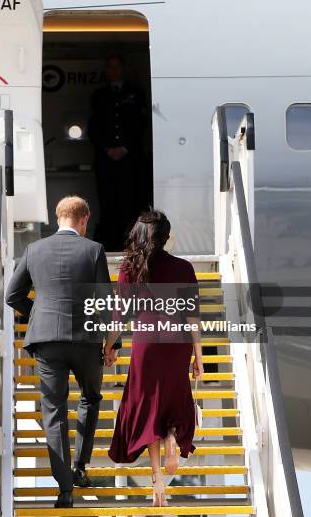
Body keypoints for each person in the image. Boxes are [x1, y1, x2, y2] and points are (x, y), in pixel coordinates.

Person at [5, 196, 121, 509]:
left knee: (54, 412)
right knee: (90, 398)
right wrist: (113, 344)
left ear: (59, 218)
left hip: (46, 341)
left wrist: (37, 314)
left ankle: (64, 489)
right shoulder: (93, 250)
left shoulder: (33, 250)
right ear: (84, 220)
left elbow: (11, 295)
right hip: (86, 340)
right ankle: (80, 467)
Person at [104, 209, 204, 507]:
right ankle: (173, 433)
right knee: (172, 398)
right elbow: (193, 318)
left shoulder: (130, 267)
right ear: (165, 238)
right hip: (177, 343)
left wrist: (109, 346)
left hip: (147, 342)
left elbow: (119, 314)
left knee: (148, 406)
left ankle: (157, 479)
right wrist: (199, 358)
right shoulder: (184, 267)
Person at [88, 54, 147, 252]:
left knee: (129, 199)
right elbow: (94, 126)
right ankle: (110, 243)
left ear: (124, 69)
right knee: (107, 201)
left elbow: (141, 125)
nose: (114, 71)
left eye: (117, 66)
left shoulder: (135, 93)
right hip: (106, 159)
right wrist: (107, 148)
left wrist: (124, 148)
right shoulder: (99, 94)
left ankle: (131, 243)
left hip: (129, 159)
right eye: (110, 67)